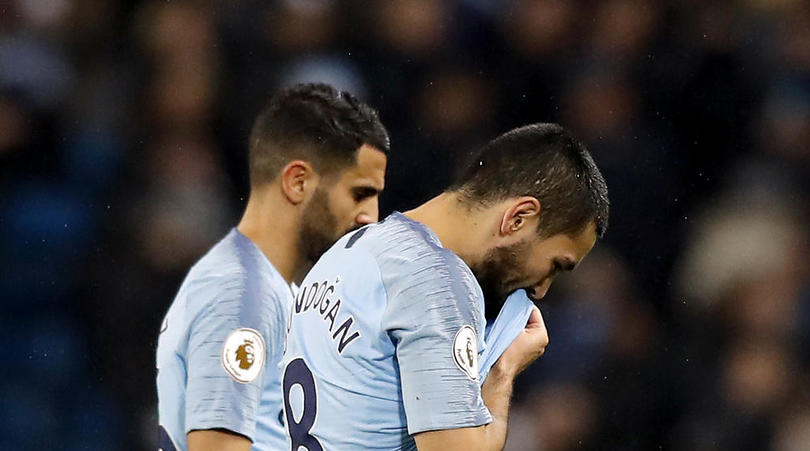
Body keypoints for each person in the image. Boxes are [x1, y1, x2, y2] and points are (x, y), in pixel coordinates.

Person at [281, 123, 609, 450]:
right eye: (555, 265)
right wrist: (503, 370)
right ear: (518, 218)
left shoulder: (352, 249)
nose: (542, 290)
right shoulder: (438, 281)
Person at [156, 83, 390, 451]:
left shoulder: (268, 287)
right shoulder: (242, 295)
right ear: (298, 182)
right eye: (360, 193)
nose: (370, 218)